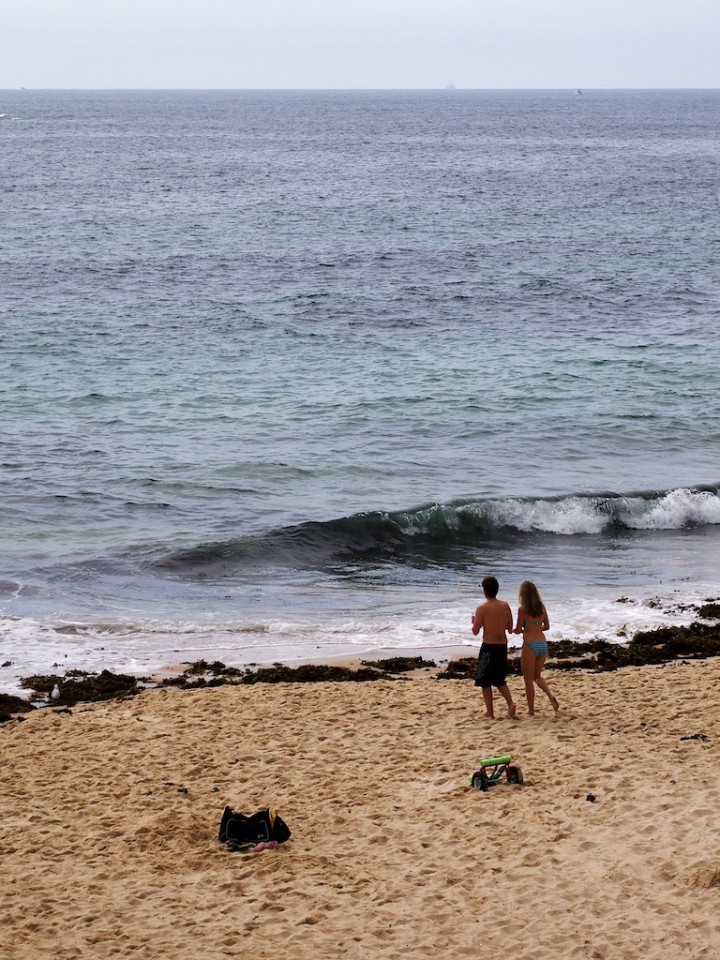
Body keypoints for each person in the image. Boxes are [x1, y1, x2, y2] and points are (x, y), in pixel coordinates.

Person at [471, 576, 517, 719]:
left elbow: (475, 631)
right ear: (497, 590)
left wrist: (473, 621)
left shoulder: (482, 608)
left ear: (485, 591)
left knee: (485, 681)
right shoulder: (505, 605)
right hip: (502, 646)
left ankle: (490, 712)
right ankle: (510, 702)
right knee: (499, 679)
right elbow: (510, 628)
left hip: (488, 647)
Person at [513, 580, 559, 716]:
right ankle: (550, 696)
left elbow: (518, 629)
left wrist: (515, 630)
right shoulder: (541, 607)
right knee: (537, 676)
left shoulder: (522, 609)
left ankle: (531, 710)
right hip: (543, 645)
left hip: (530, 646)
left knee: (528, 681)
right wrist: (536, 627)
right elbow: (547, 627)